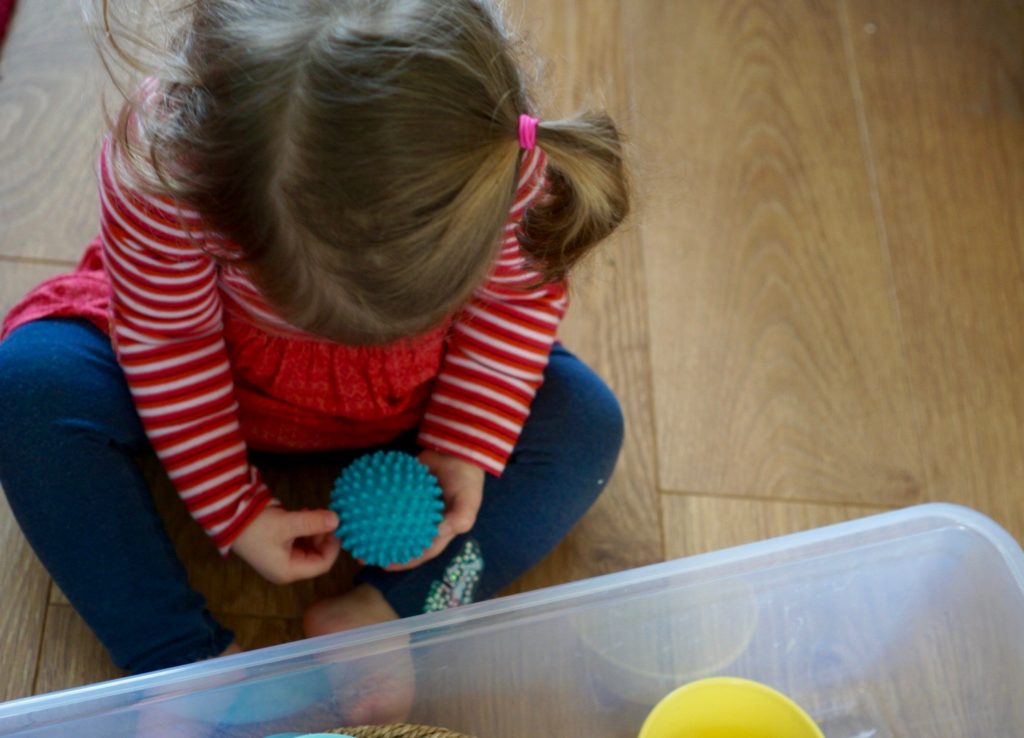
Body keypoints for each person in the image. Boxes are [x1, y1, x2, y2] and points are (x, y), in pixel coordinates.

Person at [0, 0, 629, 677]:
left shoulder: (490, 154)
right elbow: (167, 342)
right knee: (29, 385)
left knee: (585, 424)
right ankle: (177, 662)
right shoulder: (169, 163)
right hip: (199, 378)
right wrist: (230, 507)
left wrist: (464, 445)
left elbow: (511, 307)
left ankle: (387, 615)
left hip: (413, 392)